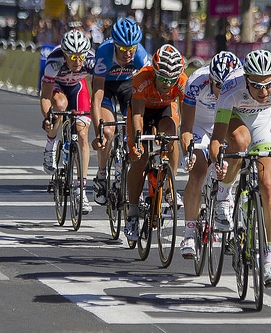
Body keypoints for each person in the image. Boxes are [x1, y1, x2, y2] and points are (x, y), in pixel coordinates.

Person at [209, 50, 271, 287]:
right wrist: (219, 164)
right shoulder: (230, 88)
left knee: (268, 185)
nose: (264, 92)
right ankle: (224, 195)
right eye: (257, 86)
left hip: (263, 122)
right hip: (236, 118)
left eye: (268, 85)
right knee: (239, 142)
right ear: (245, 79)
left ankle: (269, 260)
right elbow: (217, 139)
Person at [178, 51, 242, 257]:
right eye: (219, 87)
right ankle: (189, 233)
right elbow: (186, 127)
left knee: (238, 149)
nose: (223, 92)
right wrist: (188, 152)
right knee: (197, 174)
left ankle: (226, 195)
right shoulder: (197, 81)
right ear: (211, 80)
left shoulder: (241, 82)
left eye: (228, 88)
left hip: (225, 124)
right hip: (201, 125)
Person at [125, 44, 187, 241]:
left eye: (171, 80)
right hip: (143, 110)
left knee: (172, 134)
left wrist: (188, 142)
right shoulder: (141, 78)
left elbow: (186, 118)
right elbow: (137, 114)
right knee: (140, 159)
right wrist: (136, 143)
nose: (167, 84)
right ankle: (132, 213)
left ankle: (170, 184)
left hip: (165, 110)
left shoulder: (183, 82)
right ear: (154, 72)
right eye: (162, 79)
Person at [91, 17, 150, 206]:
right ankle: (101, 175)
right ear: (115, 45)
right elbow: (97, 96)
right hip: (106, 86)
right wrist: (98, 131)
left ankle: (133, 182)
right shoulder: (104, 52)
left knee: (133, 130)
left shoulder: (140, 55)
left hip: (128, 86)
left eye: (131, 48)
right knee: (108, 131)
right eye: (123, 48)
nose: (128, 53)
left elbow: (146, 92)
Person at [40, 29, 95, 214]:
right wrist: (48, 118)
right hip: (57, 87)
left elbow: (100, 91)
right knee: (60, 106)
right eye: (72, 57)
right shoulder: (54, 62)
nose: (78, 61)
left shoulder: (91, 61)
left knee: (82, 134)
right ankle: (50, 146)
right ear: (64, 53)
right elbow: (46, 97)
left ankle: (81, 190)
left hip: (78, 87)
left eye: (81, 56)